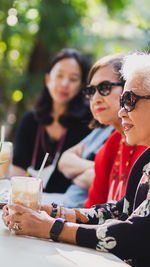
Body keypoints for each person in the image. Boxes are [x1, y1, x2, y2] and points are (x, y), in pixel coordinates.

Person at [3, 52, 150, 266]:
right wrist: (56, 213)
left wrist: (50, 228)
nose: (121, 111)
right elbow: (120, 212)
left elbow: (137, 235)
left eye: (130, 100)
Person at [59, 54, 146, 208]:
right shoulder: (111, 145)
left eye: (104, 88)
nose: (96, 98)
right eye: (91, 91)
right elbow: (90, 215)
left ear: (129, 88)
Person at [10, 48, 92, 193]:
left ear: (81, 86)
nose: (65, 84)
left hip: (68, 208)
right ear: (48, 79)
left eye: (73, 79)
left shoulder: (88, 124)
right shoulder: (29, 121)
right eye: (59, 76)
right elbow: (17, 171)